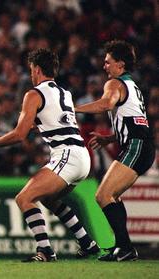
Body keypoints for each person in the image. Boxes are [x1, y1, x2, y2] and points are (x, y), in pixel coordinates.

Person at [0, 49, 100, 262]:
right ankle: (87, 243)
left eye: (31, 70)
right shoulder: (65, 93)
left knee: (24, 198)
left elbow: (19, 135)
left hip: (67, 155)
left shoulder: (34, 94)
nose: (31, 74)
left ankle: (45, 250)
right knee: (49, 199)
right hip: (82, 156)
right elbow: (56, 121)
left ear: (36, 69)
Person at [75, 40, 155, 261]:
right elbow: (134, 121)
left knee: (103, 195)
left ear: (120, 64)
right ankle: (124, 247)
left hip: (137, 145)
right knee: (112, 195)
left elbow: (105, 105)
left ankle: (126, 247)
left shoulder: (114, 84)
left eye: (108, 62)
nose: (104, 66)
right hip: (141, 145)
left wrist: (72, 108)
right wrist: (110, 138)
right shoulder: (132, 86)